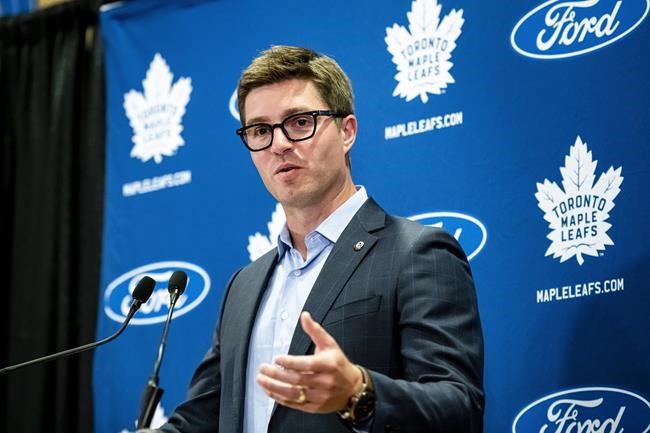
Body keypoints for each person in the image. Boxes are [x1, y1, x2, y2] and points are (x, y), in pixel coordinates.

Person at [152, 45, 484, 433]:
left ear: (347, 132)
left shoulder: (416, 253)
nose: (279, 144)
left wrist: (358, 393)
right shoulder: (244, 285)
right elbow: (203, 419)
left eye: (299, 122)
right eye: (260, 131)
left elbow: (460, 408)